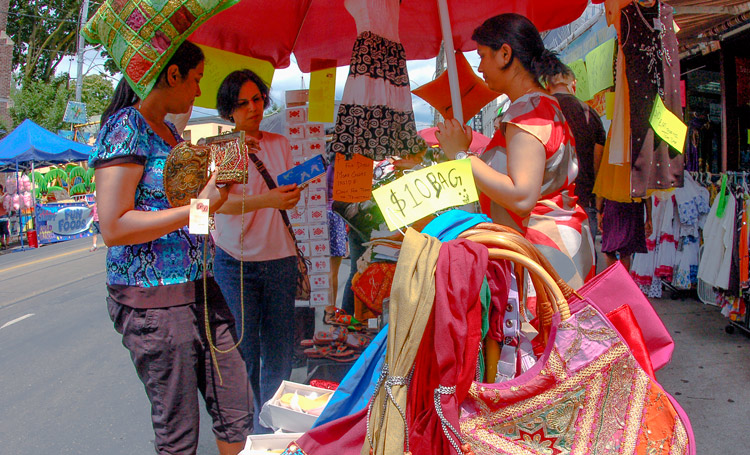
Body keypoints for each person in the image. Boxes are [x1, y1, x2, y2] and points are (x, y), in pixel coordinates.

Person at [90, 41, 252, 455]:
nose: (199, 92)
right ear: (173, 75)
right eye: (196, 79)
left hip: (200, 286)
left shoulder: (170, 131)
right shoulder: (127, 125)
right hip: (154, 304)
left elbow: (185, 213)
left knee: (237, 414)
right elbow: (114, 226)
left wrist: (215, 197)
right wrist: (202, 204)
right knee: (178, 434)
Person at [436, 13, 595, 289]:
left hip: (544, 255)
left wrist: (462, 157)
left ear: (505, 54)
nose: (480, 67)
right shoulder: (540, 105)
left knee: (547, 332)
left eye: (483, 56)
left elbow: (522, 196)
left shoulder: (527, 111)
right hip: (552, 250)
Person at [211, 69, 302, 434]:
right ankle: (247, 429)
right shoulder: (225, 148)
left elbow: (285, 194)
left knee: (280, 351)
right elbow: (218, 205)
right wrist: (267, 199)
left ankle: (273, 428)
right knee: (244, 350)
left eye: (258, 99)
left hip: (280, 259)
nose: (253, 108)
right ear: (228, 110)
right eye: (243, 102)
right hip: (237, 262)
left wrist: (288, 196)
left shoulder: (279, 144)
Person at [544, 63, 606, 242]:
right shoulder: (589, 113)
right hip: (584, 200)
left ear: (547, 85)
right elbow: (598, 161)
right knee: (585, 263)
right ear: (573, 84)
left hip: (549, 204)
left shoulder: (543, 110)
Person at [598, 197, 653, 271]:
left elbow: (646, 191)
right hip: (624, 205)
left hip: (626, 205)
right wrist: (649, 217)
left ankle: (619, 279)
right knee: (614, 249)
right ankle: (619, 278)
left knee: (620, 249)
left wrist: (598, 212)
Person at [0, 184, 9, 249]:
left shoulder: (5, 196)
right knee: (1, 233)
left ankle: (7, 244)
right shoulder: (4, 196)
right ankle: (3, 244)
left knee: (5, 231)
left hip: (4, 216)